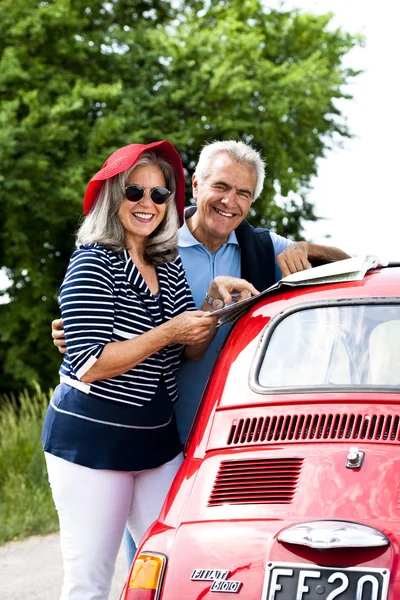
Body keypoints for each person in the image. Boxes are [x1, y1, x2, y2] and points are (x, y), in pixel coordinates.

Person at [51, 140, 350, 568]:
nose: (230, 202)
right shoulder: (155, 241)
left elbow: (352, 263)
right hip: (170, 427)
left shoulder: (264, 248)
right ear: (195, 185)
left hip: (238, 433)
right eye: (221, 186)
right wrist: (72, 336)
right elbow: (93, 327)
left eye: (244, 193)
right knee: (148, 560)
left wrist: (308, 249)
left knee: (211, 558)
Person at [42, 140, 258, 600]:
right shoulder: (93, 261)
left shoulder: (168, 262)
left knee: (176, 565)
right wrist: (168, 332)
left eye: (159, 195)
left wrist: (214, 303)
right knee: (89, 583)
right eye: (134, 192)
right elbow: (89, 363)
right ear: (111, 196)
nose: (147, 203)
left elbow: (188, 352)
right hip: (92, 442)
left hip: (156, 440)